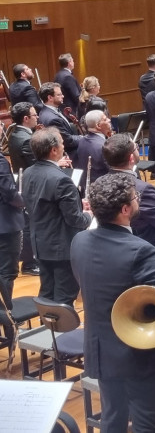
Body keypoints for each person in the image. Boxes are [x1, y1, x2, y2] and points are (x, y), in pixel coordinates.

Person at [69, 173, 155, 433]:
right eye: (136, 198)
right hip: (140, 354)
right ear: (124, 210)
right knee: (148, 424)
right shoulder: (141, 251)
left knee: (112, 418)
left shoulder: (79, 242)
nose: (138, 201)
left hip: (101, 350)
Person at [21, 128, 92, 305]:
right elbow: (75, 220)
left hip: (40, 243)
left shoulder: (28, 172)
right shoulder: (62, 180)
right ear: (53, 150)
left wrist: (76, 205)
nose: (63, 145)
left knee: (47, 294)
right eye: (61, 142)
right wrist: (89, 215)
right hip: (61, 248)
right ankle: (61, 333)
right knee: (64, 298)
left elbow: (42, 205)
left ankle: (48, 331)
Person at [103, 133, 155, 266]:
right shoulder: (143, 189)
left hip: (112, 253)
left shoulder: (99, 182)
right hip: (147, 256)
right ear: (131, 157)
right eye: (136, 147)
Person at [7, 103, 40, 275]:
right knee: (29, 225)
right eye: (35, 115)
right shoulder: (26, 139)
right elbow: (35, 166)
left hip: (22, 182)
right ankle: (29, 263)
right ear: (26, 118)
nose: (37, 117)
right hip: (29, 186)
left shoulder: (15, 134)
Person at [0, 148, 25, 303]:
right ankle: (7, 319)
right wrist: (24, 202)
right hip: (5, 224)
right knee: (7, 272)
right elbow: (9, 193)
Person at [38, 81, 82, 159]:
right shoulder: (53, 119)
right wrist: (84, 138)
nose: (63, 96)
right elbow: (68, 141)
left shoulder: (45, 111)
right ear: (50, 98)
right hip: (68, 156)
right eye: (59, 94)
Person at [73, 110, 111, 191]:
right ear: (98, 125)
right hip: (104, 190)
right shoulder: (104, 146)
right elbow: (114, 170)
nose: (109, 120)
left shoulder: (82, 141)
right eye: (105, 119)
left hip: (89, 188)